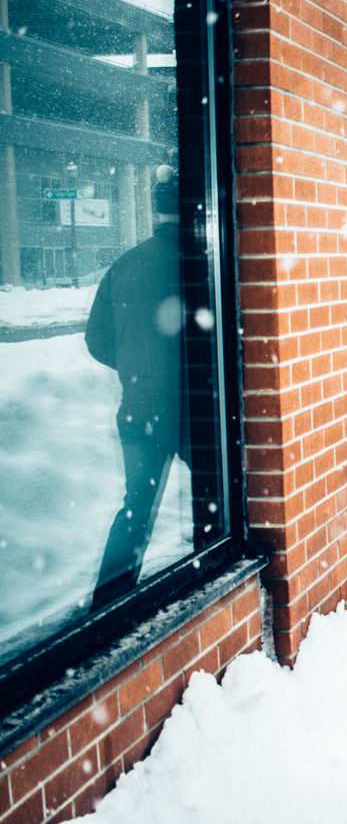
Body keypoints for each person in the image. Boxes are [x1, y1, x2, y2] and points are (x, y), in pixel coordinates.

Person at [84, 165, 187, 609]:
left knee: (135, 509)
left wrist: (136, 367)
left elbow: (97, 341)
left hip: (138, 405)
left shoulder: (125, 264)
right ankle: (211, 581)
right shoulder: (201, 263)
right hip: (192, 408)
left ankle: (107, 607)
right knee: (218, 502)